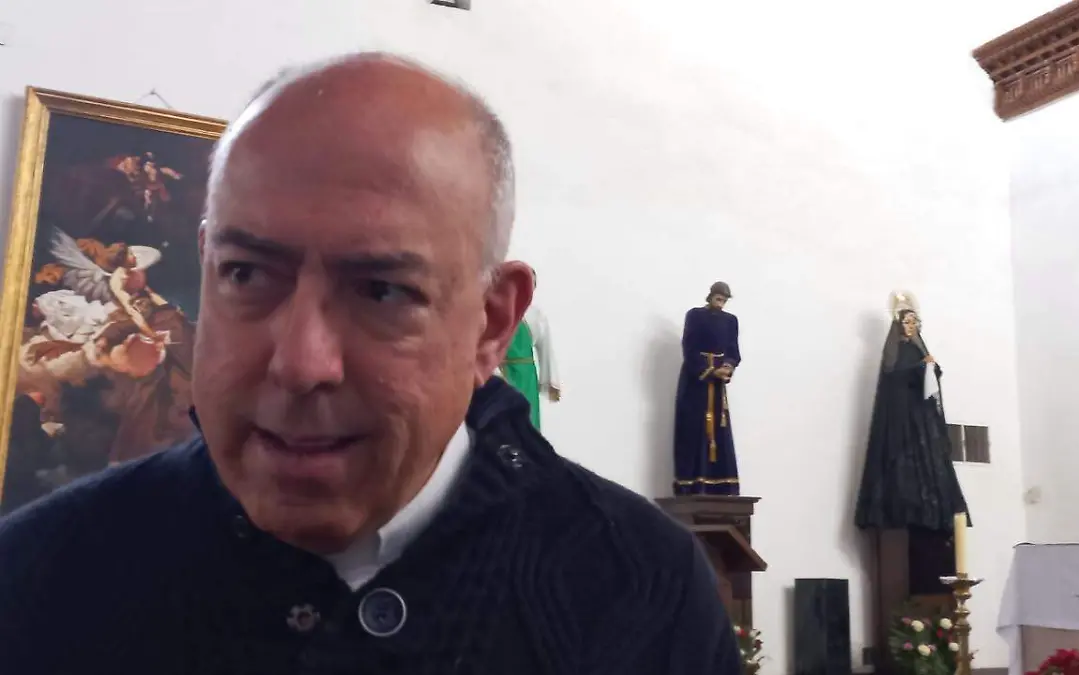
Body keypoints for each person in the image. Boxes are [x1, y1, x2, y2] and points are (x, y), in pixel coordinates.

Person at [0, 53, 739, 674]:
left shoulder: (641, 589)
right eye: (247, 274)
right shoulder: (37, 578)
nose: (300, 364)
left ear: (491, 324)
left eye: (382, 290)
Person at [853, 297, 970, 534]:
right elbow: (893, 376)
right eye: (907, 322)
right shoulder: (895, 350)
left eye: (914, 322)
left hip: (922, 416)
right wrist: (919, 368)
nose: (911, 326)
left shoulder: (918, 348)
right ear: (899, 325)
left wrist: (932, 367)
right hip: (902, 416)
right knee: (903, 461)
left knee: (931, 458)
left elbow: (931, 377)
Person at [673, 281, 741, 496]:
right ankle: (692, 483)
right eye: (718, 298)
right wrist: (710, 370)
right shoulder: (695, 315)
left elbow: (733, 351)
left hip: (718, 385)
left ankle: (720, 484)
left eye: (724, 300)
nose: (721, 303)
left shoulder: (731, 321)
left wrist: (727, 367)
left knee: (719, 429)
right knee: (694, 427)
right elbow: (689, 348)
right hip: (696, 383)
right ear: (711, 296)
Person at [499, 269, 560, 429]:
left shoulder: (536, 314)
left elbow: (545, 347)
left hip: (527, 375)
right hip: (502, 370)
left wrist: (550, 381)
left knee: (528, 416)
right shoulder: (500, 310)